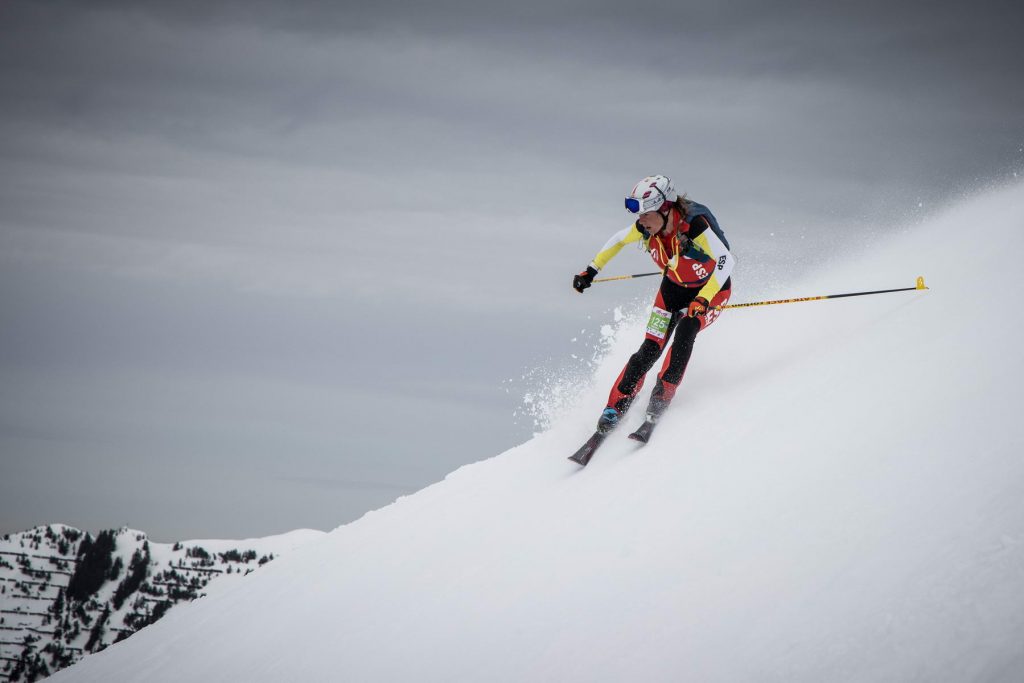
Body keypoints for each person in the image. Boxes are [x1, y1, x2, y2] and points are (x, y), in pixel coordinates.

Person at [572, 175, 735, 433]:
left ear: (665, 208)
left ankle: (661, 397)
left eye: (646, 214)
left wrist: (704, 298)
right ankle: (616, 405)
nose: (640, 222)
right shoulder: (645, 229)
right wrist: (591, 270)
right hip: (671, 290)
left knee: (685, 331)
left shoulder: (695, 226)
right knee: (650, 346)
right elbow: (617, 239)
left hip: (711, 292)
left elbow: (727, 260)